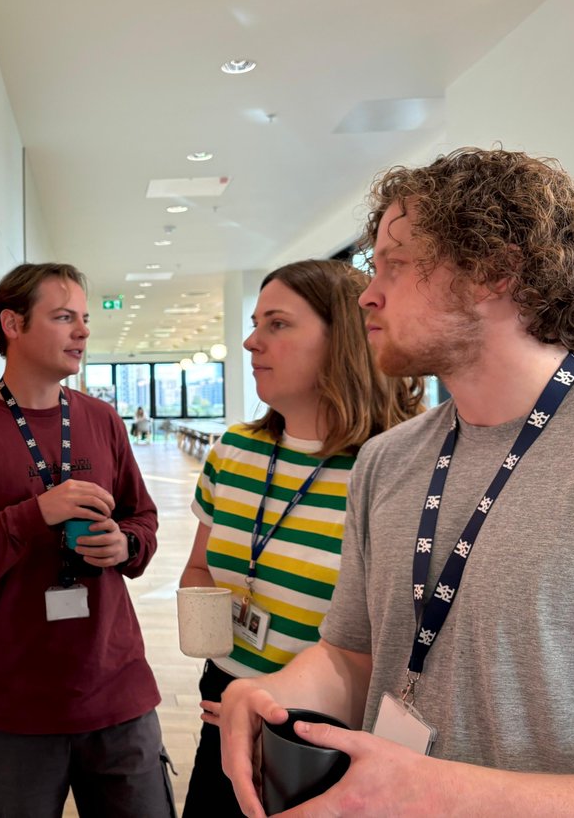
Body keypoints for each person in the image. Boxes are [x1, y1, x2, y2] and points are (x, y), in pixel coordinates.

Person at [219, 148, 574, 816]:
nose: (368, 293)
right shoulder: (388, 460)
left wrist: (441, 791)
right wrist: (276, 690)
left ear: (492, 271)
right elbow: (351, 655)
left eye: (395, 265)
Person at [0, 262, 173, 818]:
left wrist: (125, 545)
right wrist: (34, 516)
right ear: (12, 323)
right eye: (62, 317)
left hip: (118, 695)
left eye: (82, 318)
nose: (82, 331)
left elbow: (143, 520)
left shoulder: (102, 420)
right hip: (12, 711)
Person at [179, 259, 424, 817]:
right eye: (255, 322)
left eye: (277, 324)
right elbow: (200, 569)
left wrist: (281, 693)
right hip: (227, 697)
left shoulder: (395, 467)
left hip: (328, 727)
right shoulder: (233, 452)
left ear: (342, 341)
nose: (250, 341)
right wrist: (218, 656)